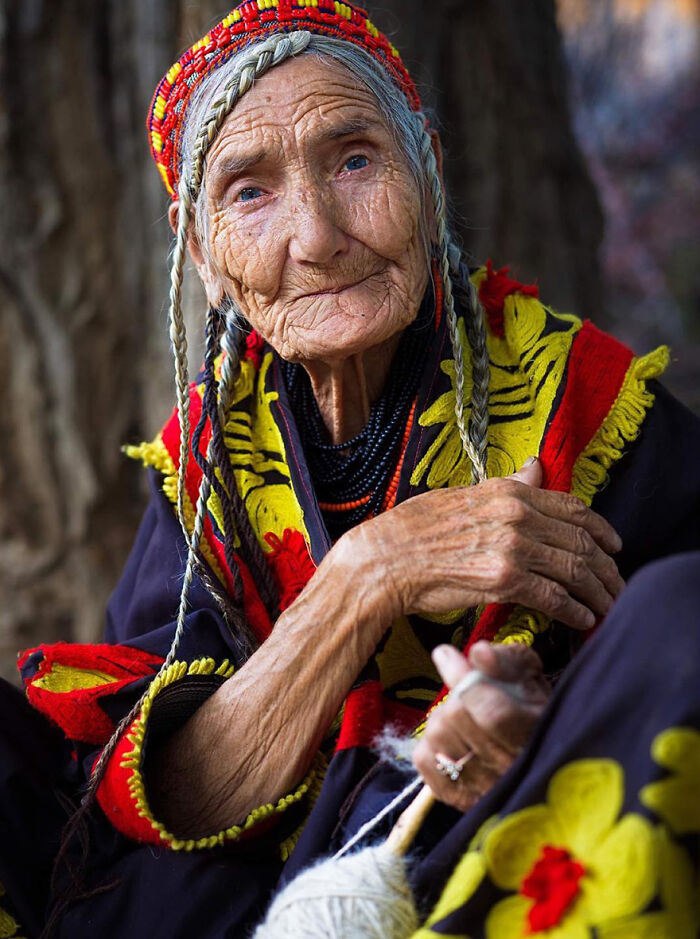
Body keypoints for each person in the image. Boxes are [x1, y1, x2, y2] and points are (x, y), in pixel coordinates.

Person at [3, 2, 700, 937]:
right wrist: (371, 572)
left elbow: (662, 677)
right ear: (204, 253)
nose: (319, 235)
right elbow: (175, 796)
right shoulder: (209, 465)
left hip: (495, 870)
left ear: (430, 170)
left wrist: (545, 736)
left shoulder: (586, 406)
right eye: (250, 192)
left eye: (356, 160)